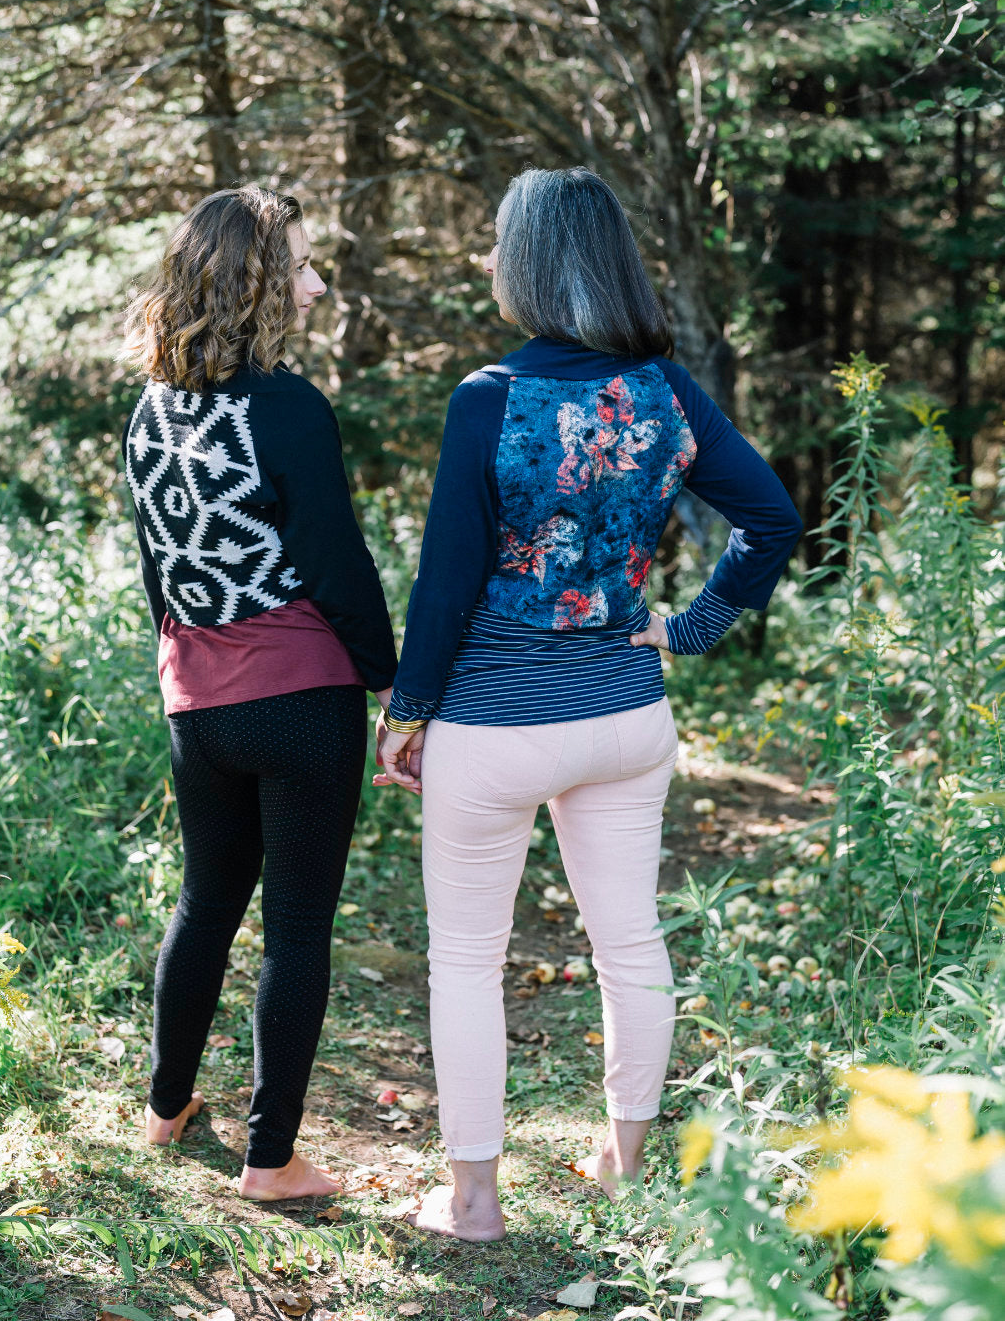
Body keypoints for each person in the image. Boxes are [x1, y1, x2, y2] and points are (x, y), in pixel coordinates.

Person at [378, 167, 802, 1240]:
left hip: (498, 720)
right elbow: (773, 518)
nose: (482, 260)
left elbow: (447, 576)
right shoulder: (660, 389)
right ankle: (624, 1167)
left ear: (528, 263)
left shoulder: (491, 398)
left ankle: (473, 1203)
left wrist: (409, 706)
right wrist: (692, 626)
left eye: (493, 243)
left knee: (469, 957)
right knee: (630, 944)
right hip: (625, 714)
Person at [122, 185, 397, 1201]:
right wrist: (395, 681)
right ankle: (270, 1159)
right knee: (295, 926)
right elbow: (333, 562)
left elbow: (160, 568)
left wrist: (188, 668)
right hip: (300, 695)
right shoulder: (284, 406)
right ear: (258, 283)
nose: (317, 283)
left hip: (198, 701)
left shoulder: (149, 408)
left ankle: (165, 1107)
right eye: (302, 266)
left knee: (203, 903)